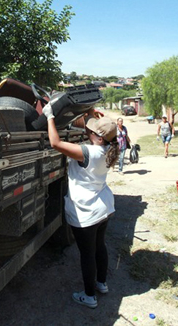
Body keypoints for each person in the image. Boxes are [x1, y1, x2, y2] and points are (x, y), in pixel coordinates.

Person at [43, 103, 119, 309]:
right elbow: (92, 132)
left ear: (99, 137)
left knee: (87, 254)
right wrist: (91, 116)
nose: (88, 130)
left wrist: (50, 116)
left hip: (87, 211)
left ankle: (89, 296)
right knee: (99, 247)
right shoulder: (108, 149)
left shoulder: (88, 152)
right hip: (103, 208)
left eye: (92, 130)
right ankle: (101, 284)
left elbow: (56, 143)